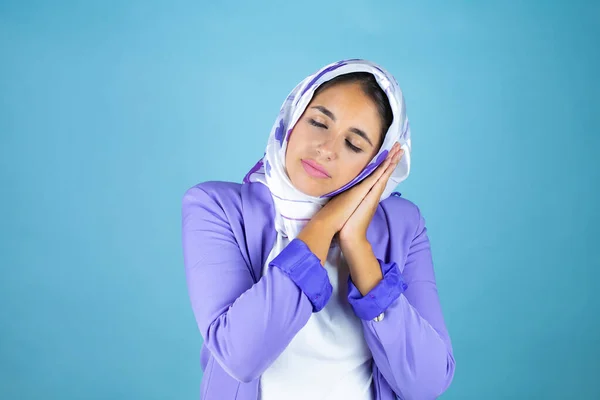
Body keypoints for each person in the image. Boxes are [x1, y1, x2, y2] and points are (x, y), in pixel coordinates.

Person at [181, 59, 455, 400]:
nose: (325, 149)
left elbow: (426, 384)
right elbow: (240, 356)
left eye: (353, 145)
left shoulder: (403, 225)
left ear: (376, 163)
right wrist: (325, 224)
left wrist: (357, 244)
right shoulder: (217, 207)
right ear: (292, 117)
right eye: (318, 122)